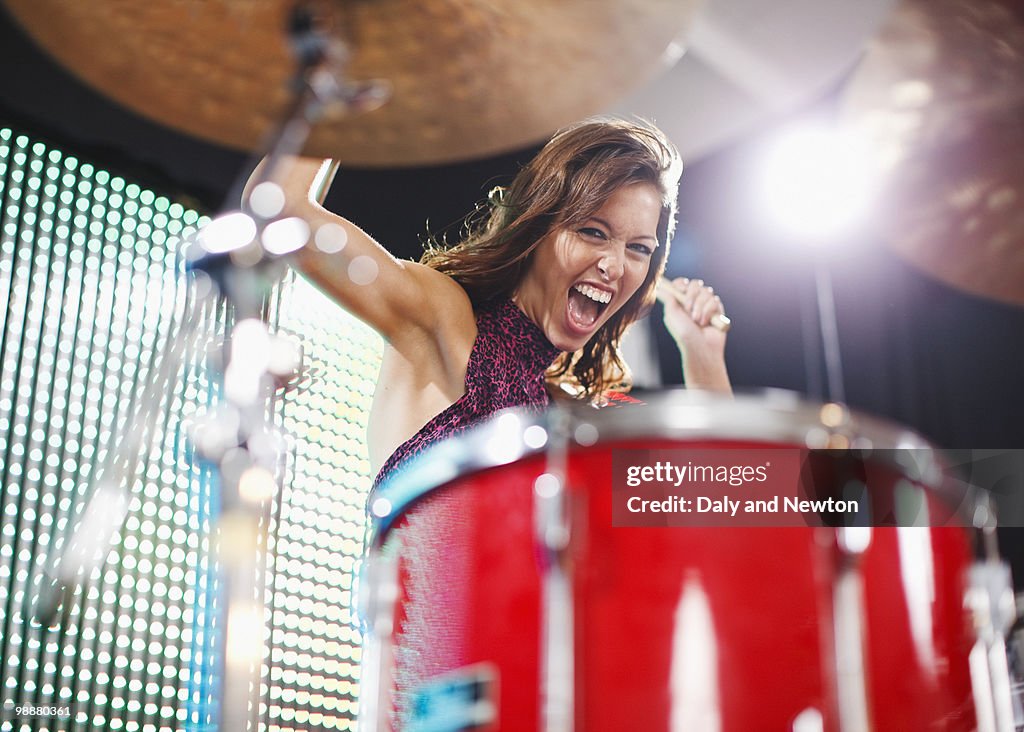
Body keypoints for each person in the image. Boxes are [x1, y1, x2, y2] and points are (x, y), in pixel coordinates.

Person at [252, 117, 731, 485]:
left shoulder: (580, 418)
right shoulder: (443, 315)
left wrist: (703, 356)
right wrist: (343, 86)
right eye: (592, 232)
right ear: (537, 227)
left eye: (639, 249)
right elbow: (280, 208)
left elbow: (738, 502)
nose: (615, 265)